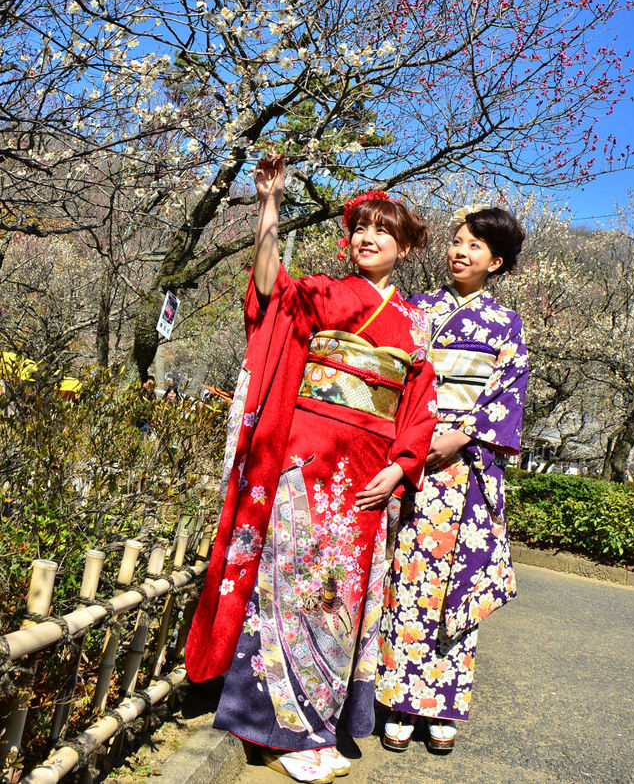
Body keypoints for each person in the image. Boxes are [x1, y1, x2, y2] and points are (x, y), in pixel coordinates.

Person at [185, 157, 437, 784]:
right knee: (290, 586)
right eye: (360, 229)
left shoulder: (416, 325)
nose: (368, 239)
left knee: (342, 598)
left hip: (368, 470)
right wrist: (269, 204)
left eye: (385, 231)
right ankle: (274, 727)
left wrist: (403, 468)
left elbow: (420, 408)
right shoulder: (327, 291)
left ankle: (318, 723)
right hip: (307, 457)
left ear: (404, 249)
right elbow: (270, 290)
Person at [375, 205, 528, 755]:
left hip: (466, 466)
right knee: (406, 578)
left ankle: (441, 706)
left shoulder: (506, 326)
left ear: (496, 262)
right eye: (457, 241)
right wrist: (417, 437)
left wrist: (462, 436)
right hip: (411, 459)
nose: (460, 252)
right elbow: (397, 376)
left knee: (457, 586)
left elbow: (506, 397)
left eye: (475, 247)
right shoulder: (419, 311)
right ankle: (396, 698)